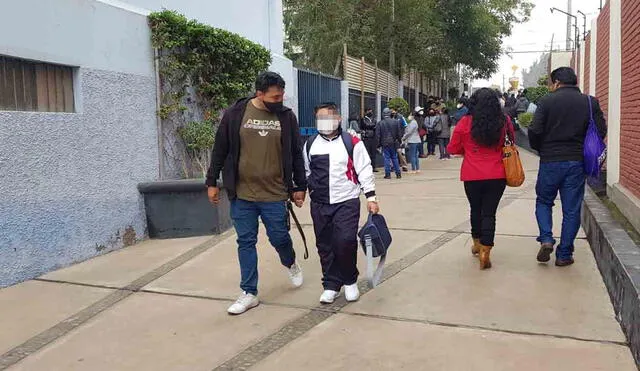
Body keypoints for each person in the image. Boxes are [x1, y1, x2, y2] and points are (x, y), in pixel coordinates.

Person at [206, 71, 307, 315]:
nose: (279, 100)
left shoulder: (286, 117)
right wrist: (211, 181)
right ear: (259, 94)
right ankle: (249, 292)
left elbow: (295, 152)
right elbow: (220, 148)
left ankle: (290, 262)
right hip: (242, 195)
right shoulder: (236, 114)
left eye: (282, 95)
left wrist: (299, 186)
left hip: (274, 193)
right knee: (246, 242)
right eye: (275, 96)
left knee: (279, 238)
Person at [529, 67, 607, 267]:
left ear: (555, 82)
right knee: (571, 209)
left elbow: (535, 130)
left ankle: (546, 239)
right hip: (577, 162)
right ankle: (564, 254)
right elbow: (601, 130)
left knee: (544, 201)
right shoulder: (590, 102)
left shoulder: (547, 101)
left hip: (550, 161)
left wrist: (542, 149)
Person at [304, 103, 379, 304]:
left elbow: (364, 169)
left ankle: (349, 281)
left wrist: (371, 197)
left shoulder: (352, 142)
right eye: (320, 119)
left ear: (338, 119)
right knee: (325, 244)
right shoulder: (310, 143)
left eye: (328, 118)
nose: (325, 123)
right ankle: (330, 284)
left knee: (345, 241)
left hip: (346, 201)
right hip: (319, 203)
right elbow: (307, 171)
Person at [447, 88, 515, 270]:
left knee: (475, 209)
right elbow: (511, 142)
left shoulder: (465, 122)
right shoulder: (504, 121)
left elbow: (452, 149)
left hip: (472, 174)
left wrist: (467, 151)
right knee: (489, 213)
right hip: (497, 173)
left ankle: (476, 243)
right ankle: (486, 250)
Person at [377, 108, 403, 179]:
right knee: (394, 158)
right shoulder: (395, 122)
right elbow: (399, 133)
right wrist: (400, 141)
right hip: (393, 142)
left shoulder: (380, 123)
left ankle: (388, 174)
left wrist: (378, 145)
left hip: (385, 143)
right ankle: (398, 174)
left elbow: (378, 135)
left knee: (387, 158)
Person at [390, 108, 409, 172]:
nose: (392, 111)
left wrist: (404, 137)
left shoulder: (400, 117)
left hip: (400, 137)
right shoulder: (389, 117)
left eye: (393, 110)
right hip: (392, 138)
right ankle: (392, 166)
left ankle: (404, 166)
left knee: (401, 152)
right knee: (392, 152)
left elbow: (406, 126)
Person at [360, 107, 378, 172]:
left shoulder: (374, 119)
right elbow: (365, 125)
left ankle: (374, 167)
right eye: (369, 111)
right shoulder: (363, 119)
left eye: (371, 111)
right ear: (366, 112)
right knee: (367, 153)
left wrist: (371, 125)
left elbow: (375, 125)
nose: (370, 112)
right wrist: (372, 125)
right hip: (366, 137)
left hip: (373, 138)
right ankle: (367, 167)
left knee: (373, 153)